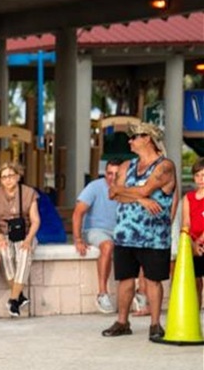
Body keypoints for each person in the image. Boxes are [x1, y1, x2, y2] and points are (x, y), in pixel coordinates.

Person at [103, 123, 177, 341]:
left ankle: (155, 324)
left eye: (134, 137)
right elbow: (113, 193)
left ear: (147, 139)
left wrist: (137, 193)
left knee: (153, 281)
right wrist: (142, 199)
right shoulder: (127, 165)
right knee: (125, 279)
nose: (130, 141)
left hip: (154, 235)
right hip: (125, 232)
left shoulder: (165, 166)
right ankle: (122, 321)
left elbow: (134, 189)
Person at [0, 161, 41, 317]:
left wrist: (29, 239)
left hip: (25, 233)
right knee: (5, 253)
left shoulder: (29, 193)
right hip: (1, 233)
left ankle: (13, 298)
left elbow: (36, 220)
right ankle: (19, 296)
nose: (7, 180)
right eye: (3, 177)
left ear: (18, 176)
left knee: (24, 254)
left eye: (10, 176)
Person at [73, 158, 123, 314]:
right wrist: (78, 239)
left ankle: (140, 294)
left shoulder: (127, 187)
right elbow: (77, 213)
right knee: (107, 246)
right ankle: (102, 293)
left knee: (142, 245)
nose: (112, 177)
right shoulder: (94, 187)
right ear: (105, 173)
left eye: (116, 174)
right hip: (95, 230)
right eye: (109, 173)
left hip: (119, 231)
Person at [180, 159, 204, 304]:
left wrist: (200, 241)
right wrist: (192, 243)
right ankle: (196, 311)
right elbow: (185, 223)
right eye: (197, 175)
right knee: (195, 280)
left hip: (201, 242)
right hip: (193, 243)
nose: (201, 179)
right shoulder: (188, 198)